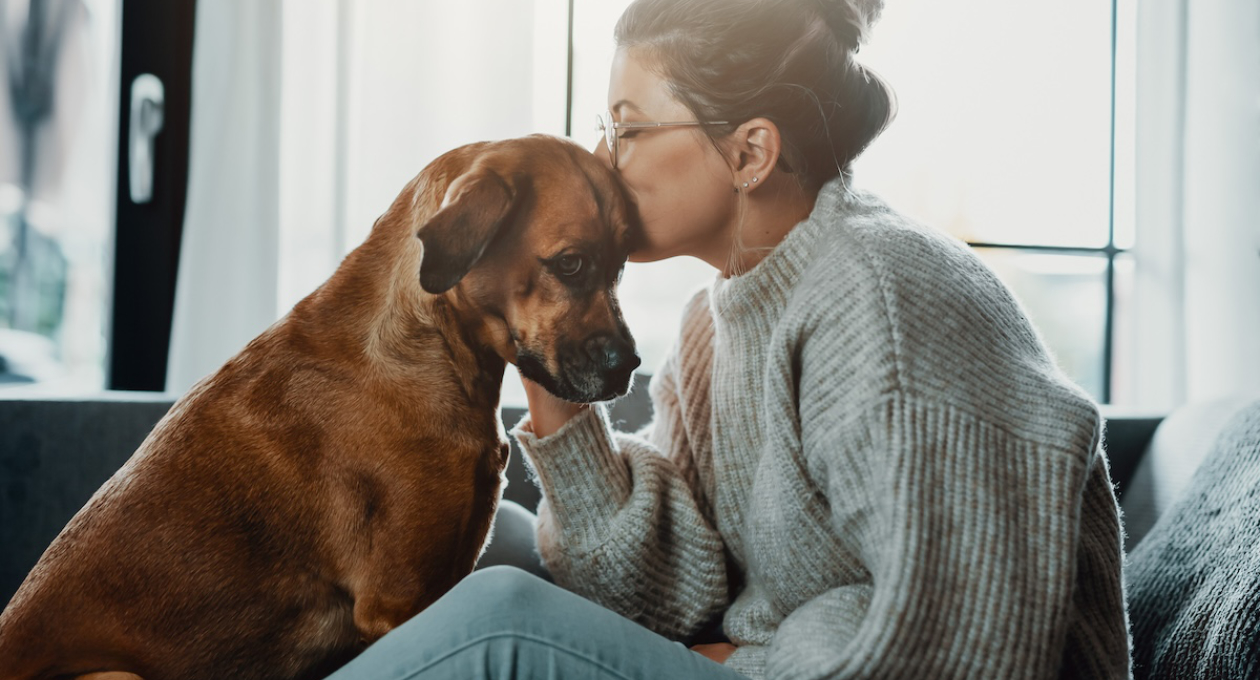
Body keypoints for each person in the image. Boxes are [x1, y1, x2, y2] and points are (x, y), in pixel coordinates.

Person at [327, 0, 1131, 678]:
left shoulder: (885, 298)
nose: (601, 161)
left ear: (750, 151)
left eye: (629, 127)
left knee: (502, 617)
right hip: (773, 659)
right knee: (482, 540)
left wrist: (739, 661)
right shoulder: (717, 322)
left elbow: (958, 637)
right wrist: (544, 345)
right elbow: (670, 587)